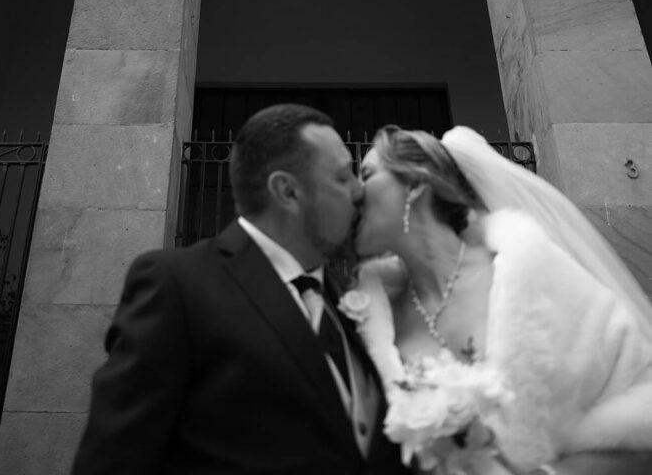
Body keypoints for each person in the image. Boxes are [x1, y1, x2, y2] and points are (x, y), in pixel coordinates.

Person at [71, 103, 404, 475]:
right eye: (343, 178)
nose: (360, 191)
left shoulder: (351, 299)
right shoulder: (178, 285)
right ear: (288, 192)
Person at [350, 124, 652, 475]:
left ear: (416, 184)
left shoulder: (530, 273)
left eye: (367, 174)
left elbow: (643, 402)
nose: (354, 192)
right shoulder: (372, 318)